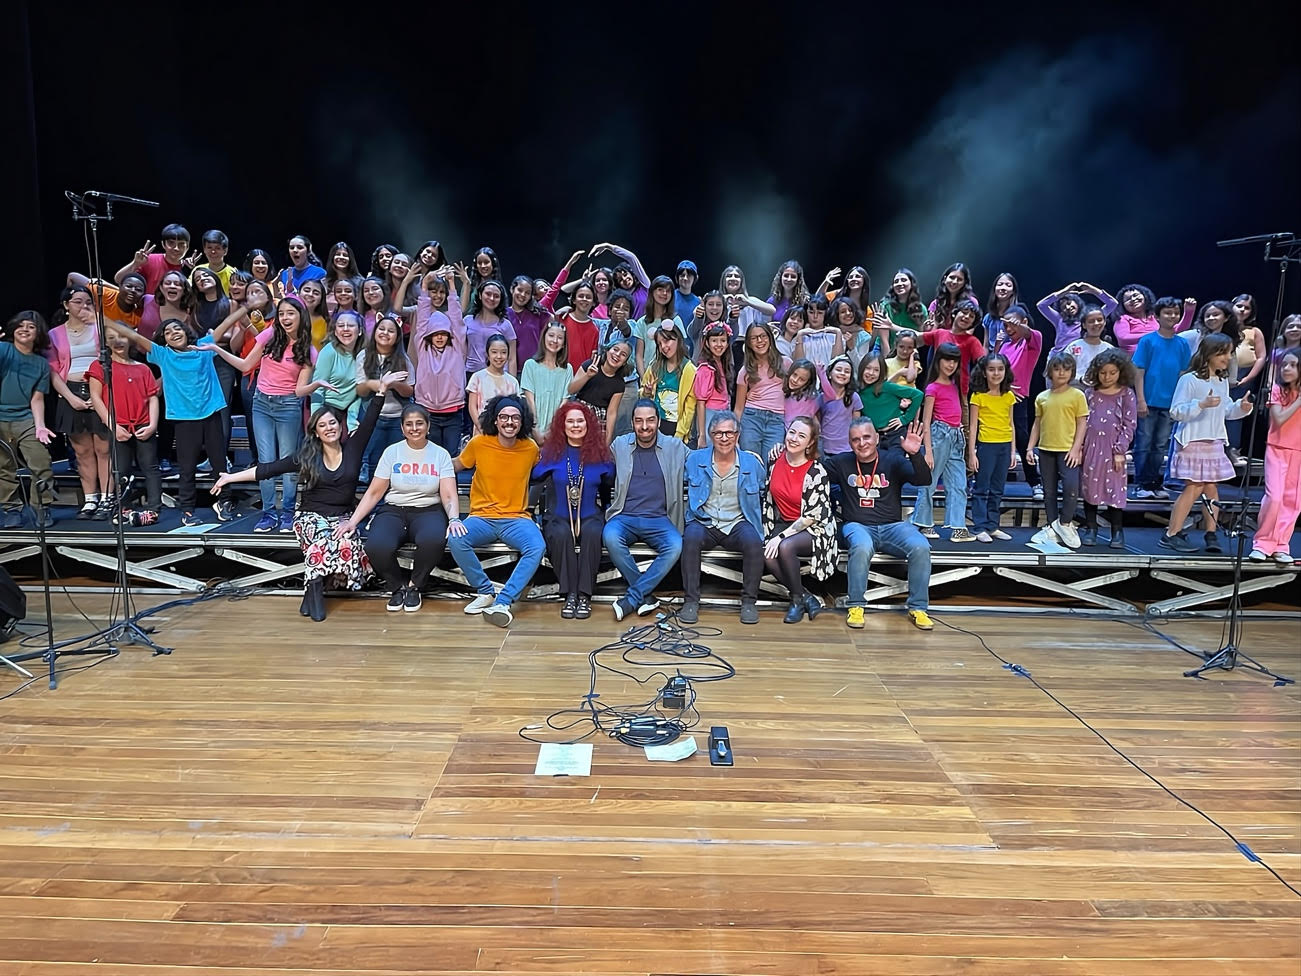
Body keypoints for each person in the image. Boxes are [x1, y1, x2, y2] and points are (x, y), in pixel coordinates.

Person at [213, 369, 408, 619]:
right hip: (310, 516)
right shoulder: (306, 457)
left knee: (346, 543)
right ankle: (315, 589)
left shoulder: (353, 448)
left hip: (342, 516)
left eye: (332, 423)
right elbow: (268, 469)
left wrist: (381, 390)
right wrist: (230, 477)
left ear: (340, 426)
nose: (329, 428)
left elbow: (370, 420)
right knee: (322, 541)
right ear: (315, 432)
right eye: (322, 425)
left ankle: (311, 591)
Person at [336, 399, 459, 613]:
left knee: (433, 540)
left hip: (428, 510)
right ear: (402, 428)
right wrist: (353, 521)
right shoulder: (392, 452)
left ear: (428, 426)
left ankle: (414, 586)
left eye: (419, 423)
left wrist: (454, 518)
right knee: (376, 546)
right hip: (394, 509)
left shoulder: (440, 454)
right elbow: (374, 492)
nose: (414, 428)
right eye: (409, 424)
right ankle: (396, 587)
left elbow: (448, 494)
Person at [103, 316, 226, 525]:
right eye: (167, 332)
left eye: (177, 328)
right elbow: (135, 336)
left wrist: (245, 308)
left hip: (210, 413)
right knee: (186, 468)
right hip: (184, 418)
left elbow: (224, 325)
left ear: (186, 331)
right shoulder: (163, 354)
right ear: (163, 340)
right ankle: (187, 510)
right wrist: (105, 319)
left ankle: (225, 501)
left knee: (219, 463)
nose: (174, 333)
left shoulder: (203, 348)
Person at [824, 417, 934, 630]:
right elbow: (810, 471)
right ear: (850, 443)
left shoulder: (892, 460)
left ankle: (918, 608)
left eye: (866, 437)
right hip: (857, 525)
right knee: (862, 545)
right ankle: (856, 606)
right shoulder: (840, 462)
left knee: (921, 546)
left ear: (876, 438)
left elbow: (923, 480)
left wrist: (915, 454)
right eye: (855, 439)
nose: (862, 443)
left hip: (893, 526)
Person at [449, 395, 546, 627]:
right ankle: (485, 591)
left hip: (516, 518)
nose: (509, 422)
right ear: (495, 419)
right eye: (504, 417)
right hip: (481, 517)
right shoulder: (479, 443)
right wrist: (427, 459)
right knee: (456, 539)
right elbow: (455, 465)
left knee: (537, 547)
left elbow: (543, 471)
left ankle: (503, 602)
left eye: (515, 418)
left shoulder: (530, 448)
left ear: (522, 422)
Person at [1160, 334, 1253, 553]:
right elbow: (1176, 411)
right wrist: (1200, 404)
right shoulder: (1189, 379)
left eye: (1229, 353)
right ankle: (1171, 533)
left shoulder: (1221, 381)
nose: (1227, 358)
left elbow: (1226, 410)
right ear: (1209, 354)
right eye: (1223, 353)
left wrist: (1241, 408)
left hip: (1214, 441)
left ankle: (1211, 533)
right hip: (1192, 441)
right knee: (1194, 486)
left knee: (1211, 487)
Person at [603, 399, 688, 621]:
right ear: (632, 422)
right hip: (625, 517)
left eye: (650, 420)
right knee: (610, 536)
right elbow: (596, 458)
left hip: (660, 519)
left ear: (658, 421)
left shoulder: (675, 447)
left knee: (675, 545)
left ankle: (633, 598)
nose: (644, 426)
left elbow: (704, 460)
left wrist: (747, 457)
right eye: (639, 421)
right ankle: (644, 596)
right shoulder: (620, 445)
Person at [680, 410, 765, 625]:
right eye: (718, 433)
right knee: (690, 539)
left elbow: (764, 491)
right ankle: (691, 601)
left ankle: (749, 602)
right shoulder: (695, 459)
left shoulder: (752, 463)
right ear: (711, 435)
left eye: (729, 433)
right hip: (704, 519)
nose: (724, 438)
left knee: (754, 542)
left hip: (737, 521)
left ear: (738, 435)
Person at [532, 401, 614, 619]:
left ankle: (585, 595)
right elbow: (534, 476)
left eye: (580, 421)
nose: (576, 425)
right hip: (558, 516)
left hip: (590, 515)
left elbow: (609, 480)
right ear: (563, 425)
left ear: (588, 424)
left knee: (594, 533)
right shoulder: (552, 454)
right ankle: (570, 594)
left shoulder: (600, 454)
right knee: (560, 535)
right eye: (570, 421)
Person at [762, 415, 837, 623]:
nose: (794, 438)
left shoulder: (816, 471)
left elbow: (812, 516)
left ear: (810, 443)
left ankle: (796, 601)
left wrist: (780, 537)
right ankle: (806, 597)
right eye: (792, 432)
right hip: (784, 523)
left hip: (816, 528)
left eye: (802, 436)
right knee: (768, 554)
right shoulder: (775, 460)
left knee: (784, 546)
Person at [47, 286, 113, 520]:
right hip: (71, 391)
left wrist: (98, 395)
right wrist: (70, 397)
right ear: (66, 305)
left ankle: (107, 498)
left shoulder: (100, 328)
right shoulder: (54, 334)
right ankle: (90, 499)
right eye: (77, 301)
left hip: (100, 390)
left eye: (88, 302)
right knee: (82, 451)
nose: (83, 306)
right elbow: (53, 370)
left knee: (104, 449)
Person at [87, 327, 161, 526]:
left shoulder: (143, 368)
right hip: (118, 425)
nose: (118, 341)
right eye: (111, 337)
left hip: (143, 423)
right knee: (121, 469)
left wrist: (152, 425)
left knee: (150, 466)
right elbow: (96, 398)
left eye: (122, 336)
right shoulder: (101, 366)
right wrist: (113, 426)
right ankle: (124, 507)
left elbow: (153, 397)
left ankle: (154, 509)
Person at [1026, 352, 1091, 548]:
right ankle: (1052, 526)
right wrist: (1030, 447)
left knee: (1071, 487)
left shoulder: (1077, 395)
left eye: (1066, 369)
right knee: (1049, 491)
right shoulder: (1042, 397)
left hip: (1067, 450)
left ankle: (1065, 523)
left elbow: (1082, 423)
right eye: (1057, 369)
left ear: (1072, 372)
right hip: (1046, 449)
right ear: (1050, 371)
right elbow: (1037, 424)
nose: (1061, 373)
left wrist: (1076, 449)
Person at [1132, 297, 1194, 499]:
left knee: (1160, 445)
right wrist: (1140, 400)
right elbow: (1139, 372)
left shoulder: (1182, 343)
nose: (1172, 316)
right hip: (1149, 401)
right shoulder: (1148, 341)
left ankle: (1153, 482)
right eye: (1167, 312)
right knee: (1143, 443)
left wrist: (1181, 402)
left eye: (1176, 312)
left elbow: (1183, 374)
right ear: (1157, 316)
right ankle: (1141, 484)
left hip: (1171, 404)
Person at [0, 311, 55, 528]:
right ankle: (10, 508)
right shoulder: (4, 349)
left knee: (41, 463)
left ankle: (41, 507)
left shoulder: (41, 364)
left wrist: (40, 426)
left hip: (25, 418)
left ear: (38, 333)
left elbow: (37, 398)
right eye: (21, 325)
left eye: (31, 327)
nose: (25, 329)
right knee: (4, 466)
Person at [1079, 350, 1138, 549]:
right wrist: (1079, 446)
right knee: (1090, 488)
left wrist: (1120, 450)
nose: (1107, 377)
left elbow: (1129, 424)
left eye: (1112, 373)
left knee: (1115, 490)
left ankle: (1117, 531)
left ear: (1121, 372)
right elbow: (1082, 421)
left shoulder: (1126, 394)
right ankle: (1091, 528)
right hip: (1091, 447)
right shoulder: (1090, 393)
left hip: (1113, 450)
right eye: (1103, 373)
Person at [912, 342, 970, 542]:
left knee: (959, 483)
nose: (951, 365)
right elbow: (926, 422)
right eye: (947, 360)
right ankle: (924, 523)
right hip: (939, 436)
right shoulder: (932, 388)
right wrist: (928, 451)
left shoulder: (955, 385)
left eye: (954, 361)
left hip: (956, 437)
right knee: (929, 482)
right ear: (938, 361)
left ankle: (957, 526)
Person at [1250, 350, 1300, 564]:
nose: (1287, 369)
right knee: (1275, 497)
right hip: (1277, 449)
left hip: (1298, 451)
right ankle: (1262, 543)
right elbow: (1279, 419)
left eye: (1293, 365)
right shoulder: (1277, 390)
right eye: (1284, 364)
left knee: (1293, 502)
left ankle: (1281, 545)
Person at [967, 353, 1017, 544]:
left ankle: (992, 525)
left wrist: (1013, 451)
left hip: (1004, 445)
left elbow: (1011, 424)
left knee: (997, 489)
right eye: (991, 369)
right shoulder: (978, 396)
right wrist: (972, 453)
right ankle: (979, 526)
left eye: (1000, 369)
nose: (996, 373)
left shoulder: (1009, 396)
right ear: (984, 372)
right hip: (986, 445)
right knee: (982, 488)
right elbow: (973, 426)